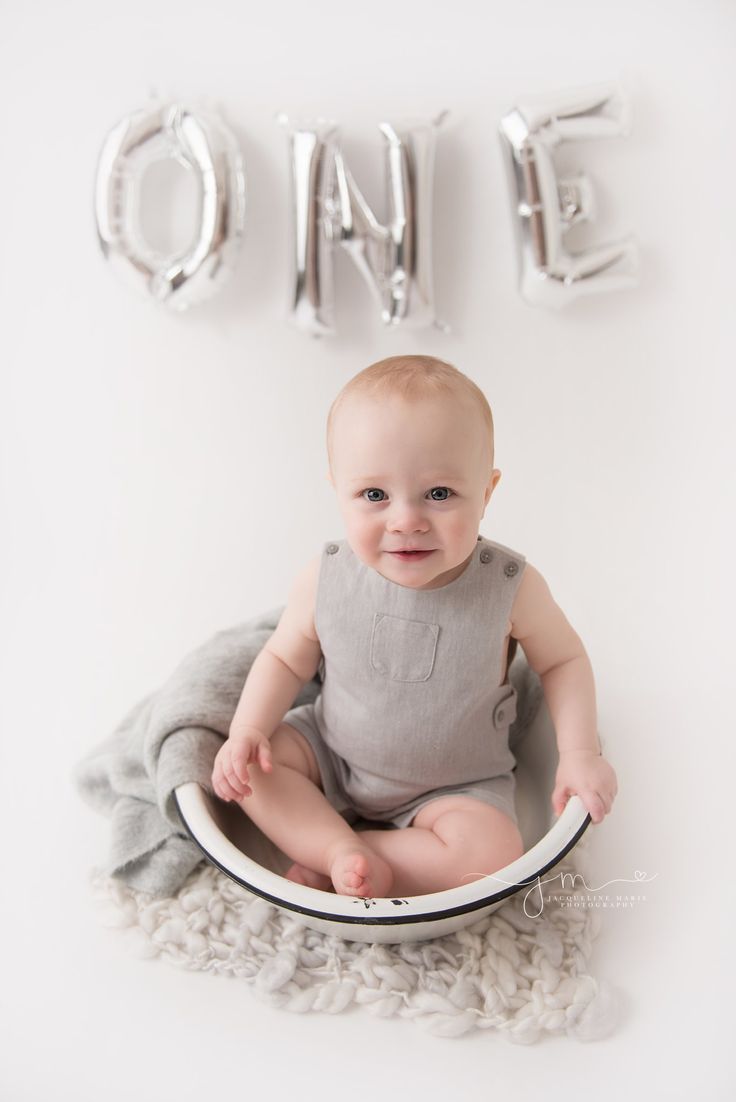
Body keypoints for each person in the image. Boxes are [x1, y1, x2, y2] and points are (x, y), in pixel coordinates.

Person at [211, 355, 618, 898]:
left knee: (496, 855)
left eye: (440, 494)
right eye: (374, 495)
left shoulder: (509, 587)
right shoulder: (326, 578)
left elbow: (563, 661)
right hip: (332, 755)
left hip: (455, 786)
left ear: (487, 491)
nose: (406, 520)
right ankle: (339, 851)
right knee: (250, 773)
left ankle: (341, 852)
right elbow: (285, 659)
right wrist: (248, 731)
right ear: (338, 490)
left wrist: (579, 755)